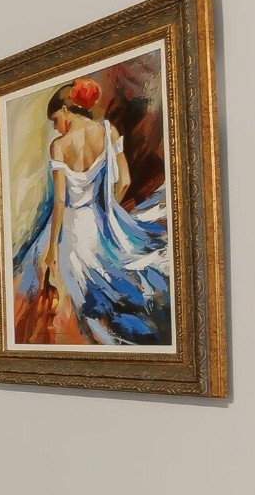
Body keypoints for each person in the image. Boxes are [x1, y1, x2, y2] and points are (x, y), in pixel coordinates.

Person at [10, 77, 171, 346]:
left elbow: (60, 202)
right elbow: (126, 181)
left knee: (51, 289)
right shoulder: (109, 131)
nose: (56, 127)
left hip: (71, 226)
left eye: (54, 120)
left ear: (64, 111)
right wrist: (109, 210)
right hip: (100, 217)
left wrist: (51, 251)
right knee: (111, 273)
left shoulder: (60, 146)